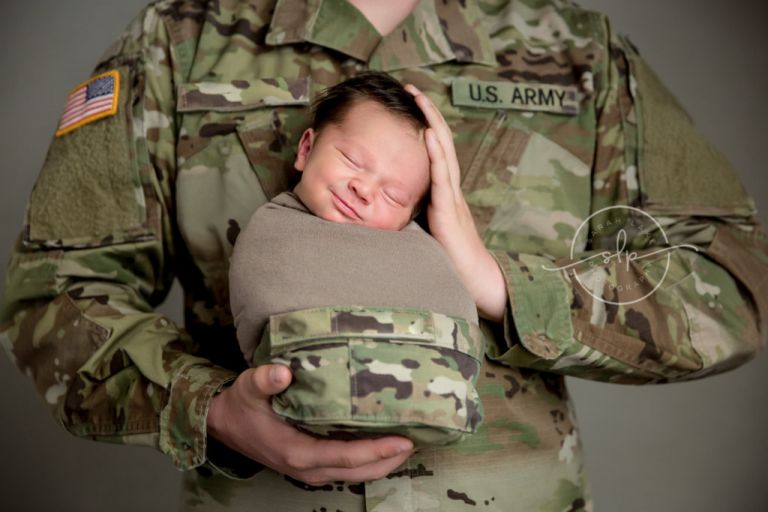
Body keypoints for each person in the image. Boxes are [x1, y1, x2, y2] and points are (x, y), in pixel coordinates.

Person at [1, 0, 766, 511]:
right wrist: (210, 408)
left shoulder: (575, 52)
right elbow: (55, 294)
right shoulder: (181, 41)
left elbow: (732, 284)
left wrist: (503, 290)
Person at [229, 71, 484, 446]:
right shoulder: (275, 231)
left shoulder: (420, 253)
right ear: (305, 149)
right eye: (351, 160)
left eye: (394, 197)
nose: (363, 189)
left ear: (412, 217)